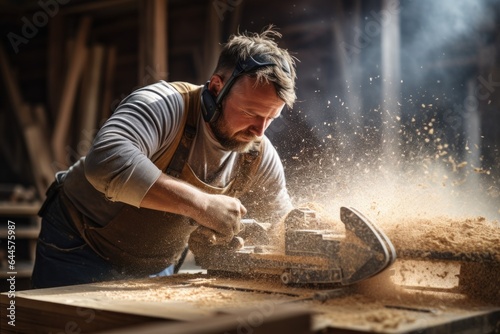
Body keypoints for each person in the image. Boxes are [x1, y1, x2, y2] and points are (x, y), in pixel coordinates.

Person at [31, 26, 297, 288]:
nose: (259, 130)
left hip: (154, 264)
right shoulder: (163, 104)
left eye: (270, 118)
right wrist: (202, 206)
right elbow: (105, 162)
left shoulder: (259, 152)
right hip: (79, 247)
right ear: (217, 87)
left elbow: (280, 224)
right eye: (250, 113)